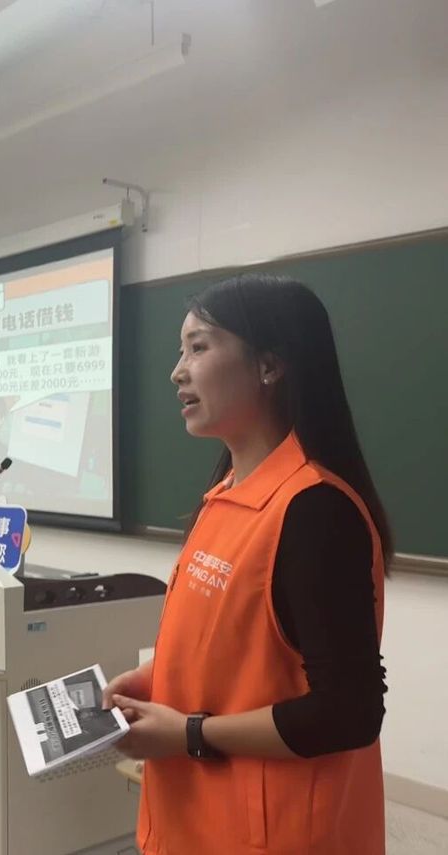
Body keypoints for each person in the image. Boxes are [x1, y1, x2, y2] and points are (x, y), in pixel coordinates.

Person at [103, 274, 390, 855]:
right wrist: (157, 679)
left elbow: (348, 712)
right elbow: (238, 648)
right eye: (180, 350)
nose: (177, 371)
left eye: (198, 347)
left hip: (276, 835)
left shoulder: (315, 511)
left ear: (269, 365)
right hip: (191, 823)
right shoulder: (225, 496)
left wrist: (189, 734)